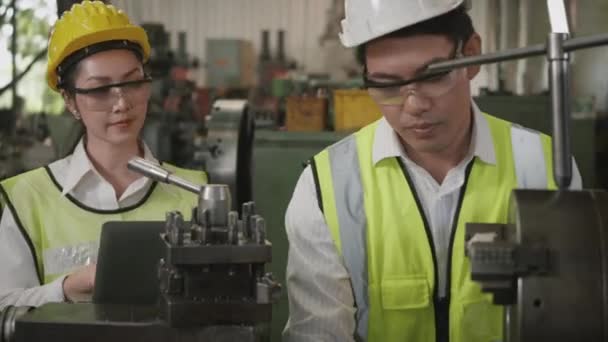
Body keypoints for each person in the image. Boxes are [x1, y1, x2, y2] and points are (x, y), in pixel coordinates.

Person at [283, 1, 582, 341]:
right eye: (386, 84)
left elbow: (568, 319)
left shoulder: (543, 166)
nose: (414, 105)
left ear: (472, 54)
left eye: (433, 75)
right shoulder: (326, 186)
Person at [0, 0, 206, 308]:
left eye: (132, 82)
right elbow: (4, 310)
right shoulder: (26, 198)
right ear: (70, 101)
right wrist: (66, 289)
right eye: (99, 89)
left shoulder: (193, 191)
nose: (121, 103)